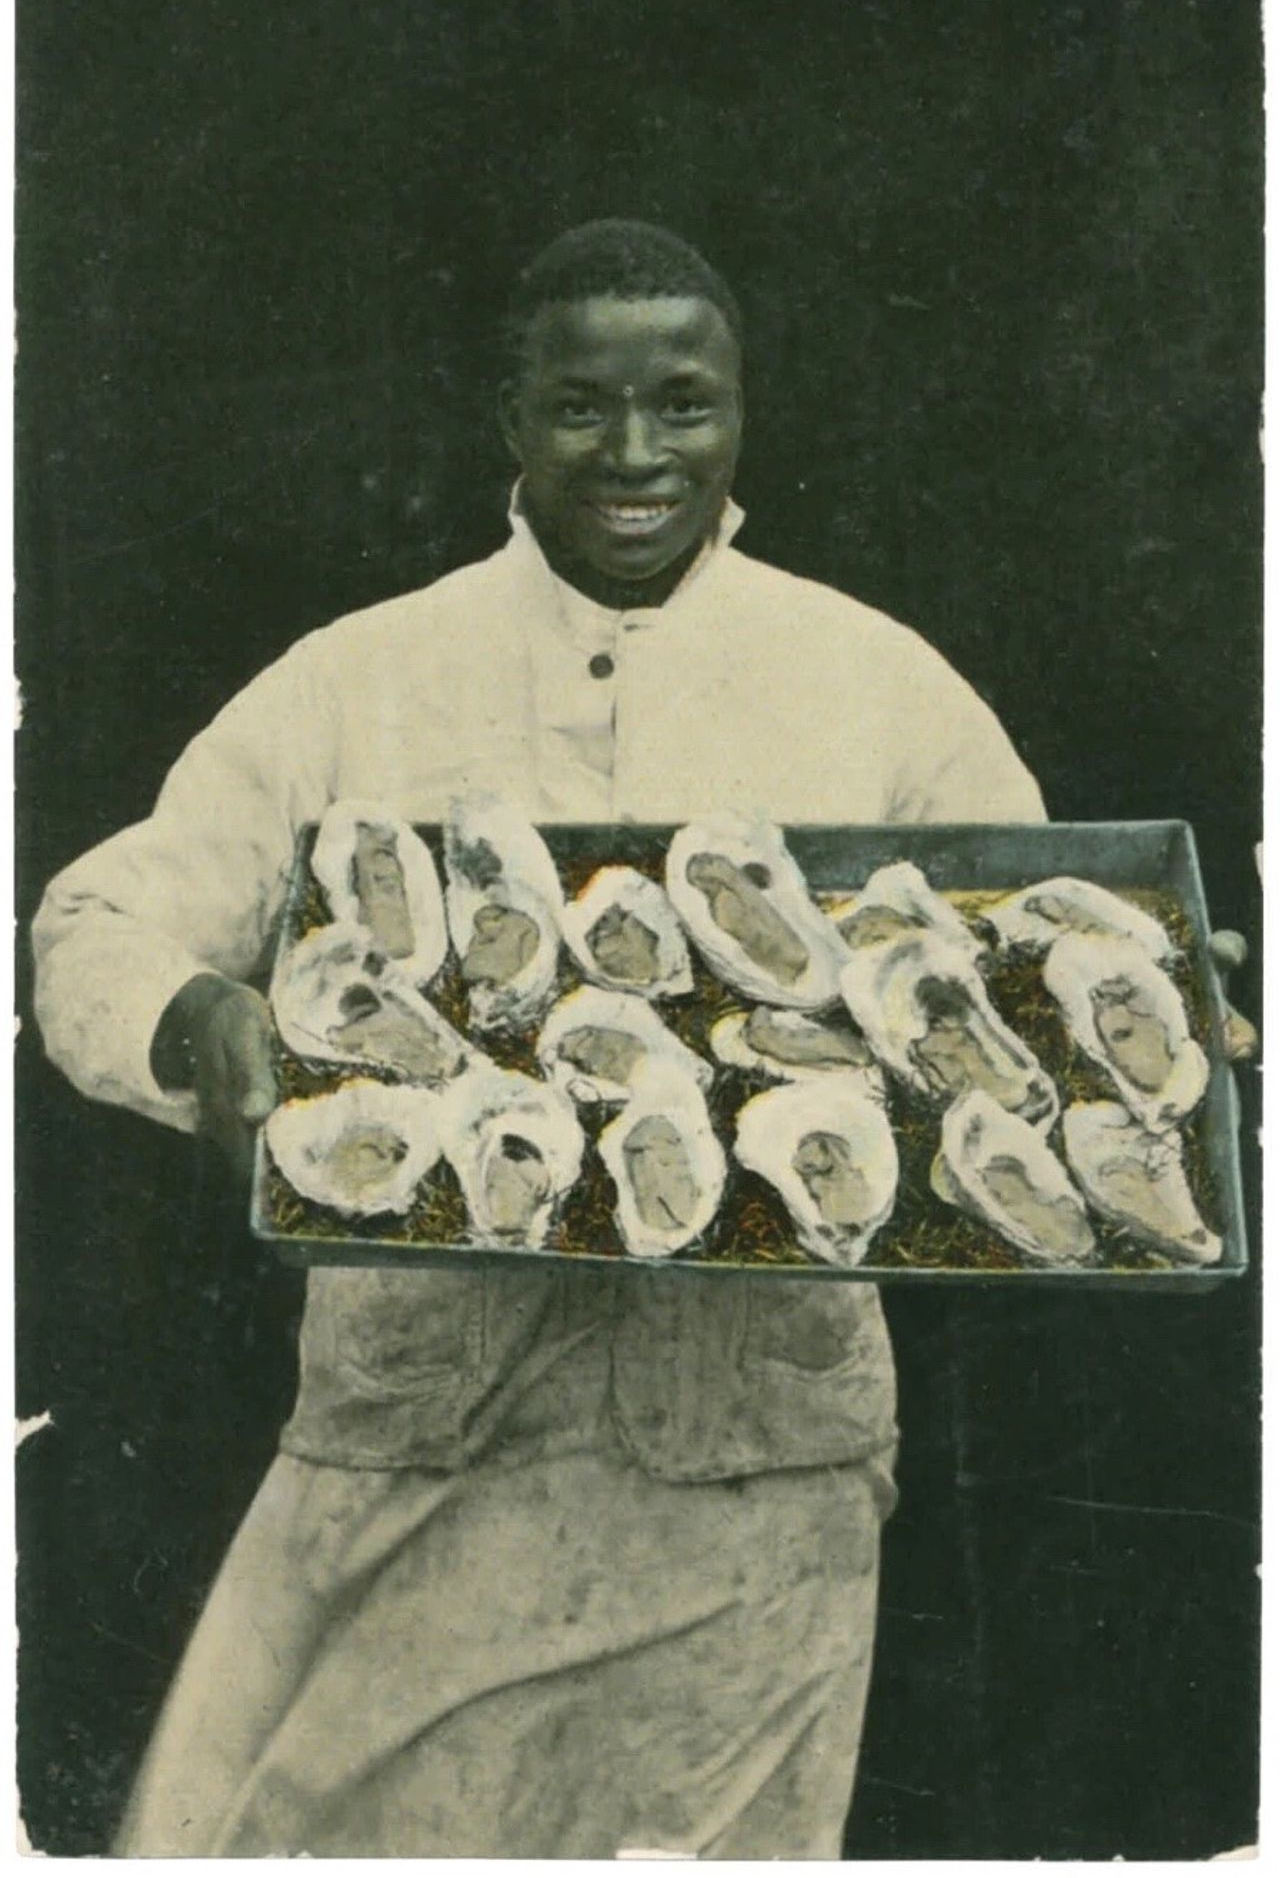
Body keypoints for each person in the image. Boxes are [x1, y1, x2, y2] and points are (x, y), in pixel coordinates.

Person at [29, 219, 1248, 1858]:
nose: (634, 454)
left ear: (741, 413)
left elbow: (1027, 952)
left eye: (684, 405)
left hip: (757, 1478)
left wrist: (1158, 1001)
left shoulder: (874, 679)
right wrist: (191, 1022)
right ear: (509, 419)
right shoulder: (357, 679)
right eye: (581, 407)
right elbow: (97, 922)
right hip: (416, 1446)